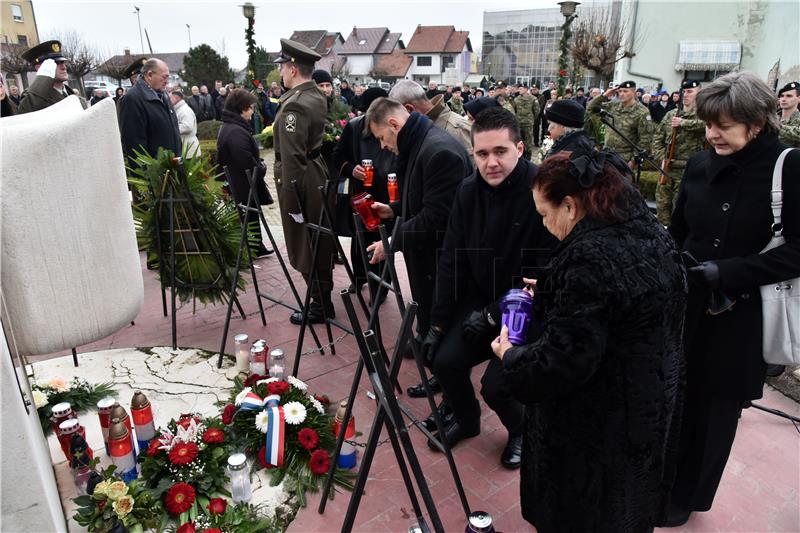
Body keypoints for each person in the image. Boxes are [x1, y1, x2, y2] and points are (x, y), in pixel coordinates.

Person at [495, 146, 686, 532]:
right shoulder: (648, 231)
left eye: (545, 215)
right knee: (626, 511)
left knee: (586, 516)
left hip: (596, 430)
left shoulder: (588, 258)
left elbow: (561, 364)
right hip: (647, 407)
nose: (545, 225)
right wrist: (553, 285)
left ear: (569, 205)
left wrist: (511, 355)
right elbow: (624, 303)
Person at [666, 71, 800, 527]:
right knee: (678, 395)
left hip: (744, 316)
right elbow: (679, 228)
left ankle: (689, 497)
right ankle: (664, 479)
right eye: (707, 124)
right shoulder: (700, 164)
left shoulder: (789, 165)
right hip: (689, 305)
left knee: (716, 412)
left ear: (757, 121)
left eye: (723, 124)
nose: (712, 134)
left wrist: (728, 272)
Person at [424, 108, 555, 468]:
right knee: (444, 361)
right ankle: (467, 422)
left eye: (500, 151)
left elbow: (545, 269)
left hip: (529, 308)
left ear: (520, 148)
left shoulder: (542, 190)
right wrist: (437, 323)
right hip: (482, 301)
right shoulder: (468, 191)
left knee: (498, 386)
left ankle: (521, 429)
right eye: (482, 154)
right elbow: (452, 258)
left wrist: (494, 312)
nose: (491, 163)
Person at [364, 97, 471, 342]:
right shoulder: (421, 142)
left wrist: (391, 242)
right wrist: (394, 209)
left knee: (442, 333)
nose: (382, 146)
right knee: (428, 320)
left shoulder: (438, 151)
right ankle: (428, 355)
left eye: (381, 137)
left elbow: (436, 218)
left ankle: (437, 373)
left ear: (394, 124)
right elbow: (425, 197)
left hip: (442, 262)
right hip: (429, 260)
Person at [272, 38, 336, 324]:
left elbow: (292, 158)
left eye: (283, 67)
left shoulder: (293, 107)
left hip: (302, 180)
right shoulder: (315, 95)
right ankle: (323, 298)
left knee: (305, 242)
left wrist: (293, 199)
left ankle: (320, 304)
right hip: (316, 172)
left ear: (294, 69)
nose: (281, 73)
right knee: (318, 238)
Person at [332, 87, 396, 302]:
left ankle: (380, 289)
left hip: (386, 194)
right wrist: (351, 169)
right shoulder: (354, 127)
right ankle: (359, 278)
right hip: (361, 193)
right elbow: (338, 157)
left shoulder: (393, 126)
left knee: (381, 241)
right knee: (359, 239)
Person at [217, 88, 273, 258]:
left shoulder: (234, 127)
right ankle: (249, 249)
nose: (253, 111)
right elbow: (245, 160)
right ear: (242, 108)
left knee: (251, 214)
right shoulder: (235, 131)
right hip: (241, 182)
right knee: (246, 215)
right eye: (251, 108)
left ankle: (256, 246)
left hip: (240, 181)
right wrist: (261, 168)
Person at [652, 80, 706, 226]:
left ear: (699, 93)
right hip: (668, 167)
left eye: (690, 92)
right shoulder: (671, 115)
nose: (685, 95)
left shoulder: (704, 114)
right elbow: (658, 137)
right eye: (684, 91)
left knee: (681, 212)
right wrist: (661, 158)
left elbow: (708, 126)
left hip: (688, 170)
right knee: (662, 208)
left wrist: (684, 123)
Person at [119, 58, 182, 169]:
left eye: (168, 77)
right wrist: (148, 178)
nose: (167, 81)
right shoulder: (133, 99)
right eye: (164, 77)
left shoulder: (163, 95)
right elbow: (134, 145)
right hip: (155, 177)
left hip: (171, 171)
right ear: (149, 75)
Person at [389, 80, 473, 162]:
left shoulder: (457, 129)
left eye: (398, 117)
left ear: (409, 109)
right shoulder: (419, 129)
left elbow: (476, 171)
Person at [587, 80, 653, 167]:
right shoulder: (613, 105)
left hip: (625, 158)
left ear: (634, 92)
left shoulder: (642, 112)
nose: (622, 94)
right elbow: (590, 108)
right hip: (607, 154)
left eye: (625, 91)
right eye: (620, 91)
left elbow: (645, 139)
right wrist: (605, 95)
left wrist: (633, 160)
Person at [18, 40, 86, 114]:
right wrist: (44, 77)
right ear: (40, 68)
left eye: (62, 62)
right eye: (56, 63)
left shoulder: (73, 96)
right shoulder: (35, 98)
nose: (64, 67)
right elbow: (25, 110)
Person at [169, 89, 201, 159]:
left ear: (176, 98)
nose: (168, 100)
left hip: (189, 150)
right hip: (185, 147)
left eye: (170, 98)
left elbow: (188, 126)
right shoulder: (179, 109)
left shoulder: (185, 110)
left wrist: (170, 127)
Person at [513, 84, 540, 160]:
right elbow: (514, 110)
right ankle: (520, 157)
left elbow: (537, 111)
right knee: (519, 141)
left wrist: (531, 119)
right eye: (519, 89)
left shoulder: (533, 99)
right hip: (519, 123)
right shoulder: (516, 99)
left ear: (526, 89)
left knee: (528, 142)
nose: (519, 90)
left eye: (521, 89)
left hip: (528, 124)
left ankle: (528, 159)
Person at [777, 81, 800, 147]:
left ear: (799, 98)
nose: (783, 99)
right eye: (782, 96)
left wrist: (774, 125)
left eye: (789, 96)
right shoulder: (773, 116)